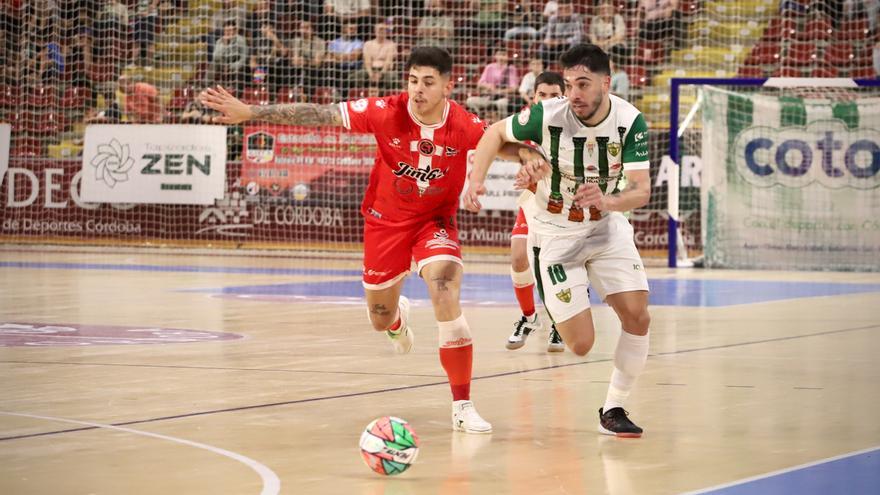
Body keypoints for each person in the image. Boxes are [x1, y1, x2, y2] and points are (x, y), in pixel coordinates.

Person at [201, 47, 533, 434]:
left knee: (444, 288)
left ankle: (462, 405)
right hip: (386, 222)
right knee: (379, 318)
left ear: (448, 84)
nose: (418, 90)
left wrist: (528, 154)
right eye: (412, 81)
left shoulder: (461, 121)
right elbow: (320, 114)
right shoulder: (384, 111)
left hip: (434, 221)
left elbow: (499, 143)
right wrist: (252, 112)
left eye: (428, 82)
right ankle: (396, 321)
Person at [464, 44, 652, 438]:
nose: (574, 94)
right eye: (568, 85)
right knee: (581, 345)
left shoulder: (630, 120)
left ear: (606, 80)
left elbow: (640, 190)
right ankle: (547, 299)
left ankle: (614, 407)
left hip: (605, 227)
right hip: (556, 233)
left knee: (638, 315)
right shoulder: (547, 114)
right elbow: (495, 134)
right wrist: (478, 179)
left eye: (583, 84)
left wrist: (609, 200)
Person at [505, 70, 566, 352]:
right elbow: (509, 146)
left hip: (565, 205)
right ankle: (529, 317)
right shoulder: (527, 122)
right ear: (534, 97)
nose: (549, 100)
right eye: (543, 95)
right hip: (534, 200)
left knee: (557, 267)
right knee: (519, 256)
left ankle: (561, 323)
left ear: (563, 96)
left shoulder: (575, 124)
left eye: (555, 95)